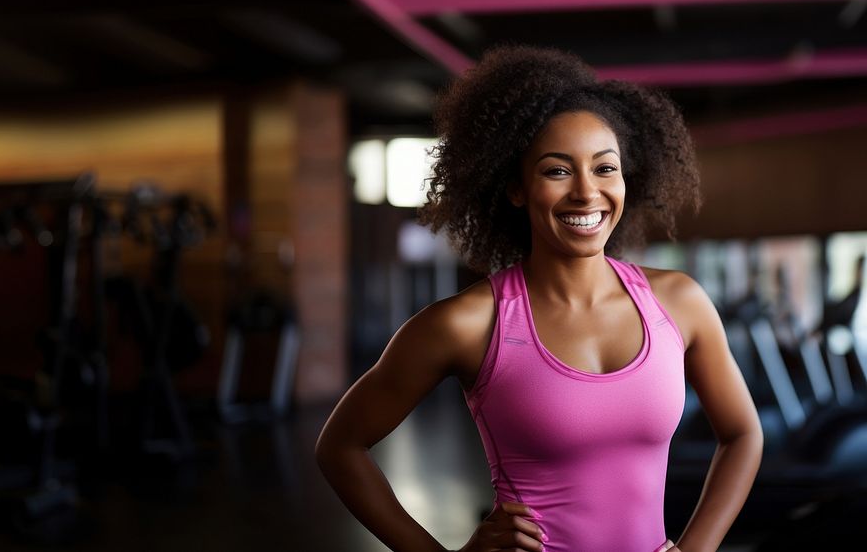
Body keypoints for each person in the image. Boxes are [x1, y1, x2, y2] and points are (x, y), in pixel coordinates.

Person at [316, 46, 763, 552]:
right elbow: (340, 447)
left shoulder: (679, 303)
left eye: (605, 168)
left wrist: (697, 548)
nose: (586, 193)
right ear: (515, 187)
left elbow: (743, 434)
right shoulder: (467, 324)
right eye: (557, 171)